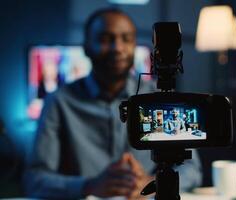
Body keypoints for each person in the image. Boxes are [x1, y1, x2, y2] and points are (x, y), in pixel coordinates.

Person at [23, 8, 202, 199]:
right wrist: (89, 186)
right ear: (86, 47)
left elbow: (192, 170)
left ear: (135, 46)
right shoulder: (59, 101)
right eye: (106, 39)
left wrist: (154, 183)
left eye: (126, 39)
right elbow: (34, 179)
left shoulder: (159, 97)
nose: (118, 47)